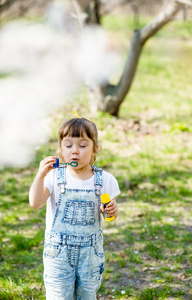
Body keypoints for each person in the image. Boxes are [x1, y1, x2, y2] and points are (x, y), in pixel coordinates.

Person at [29, 116, 120, 300]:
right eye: (68, 145)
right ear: (61, 149)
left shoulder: (105, 180)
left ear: (95, 148)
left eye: (82, 145)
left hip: (90, 256)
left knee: (87, 296)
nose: (75, 151)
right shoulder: (54, 176)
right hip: (58, 255)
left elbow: (111, 210)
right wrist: (40, 176)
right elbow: (35, 203)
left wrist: (111, 210)